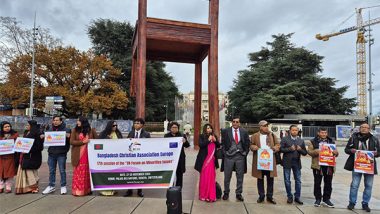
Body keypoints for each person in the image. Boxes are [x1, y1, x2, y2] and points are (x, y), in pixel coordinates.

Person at [345, 123, 380, 212]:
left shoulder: (374, 139)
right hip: (357, 166)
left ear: (369, 129)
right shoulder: (353, 137)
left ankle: (365, 203)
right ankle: (352, 203)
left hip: (369, 166)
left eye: (366, 128)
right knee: (354, 185)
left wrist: (376, 153)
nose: (364, 129)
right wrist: (351, 150)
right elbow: (346, 149)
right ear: (359, 128)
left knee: (369, 185)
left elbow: (379, 152)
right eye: (362, 127)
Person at [250, 120, 280, 204]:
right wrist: (253, 147)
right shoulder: (255, 136)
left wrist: (275, 148)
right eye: (264, 126)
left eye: (267, 126)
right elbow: (251, 145)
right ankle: (261, 196)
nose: (266, 127)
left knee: (270, 179)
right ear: (260, 127)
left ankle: (270, 196)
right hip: (260, 161)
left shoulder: (272, 135)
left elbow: (278, 145)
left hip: (269, 161)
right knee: (260, 178)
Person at [221, 116, 250, 202]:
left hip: (240, 156)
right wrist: (225, 153)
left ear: (239, 123)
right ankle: (226, 192)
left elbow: (247, 143)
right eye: (234, 121)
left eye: (237, 122)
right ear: (231, 122)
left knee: (240, 176)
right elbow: (223, 143)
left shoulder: (244, 131)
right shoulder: (226, 131)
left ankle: (238, 193)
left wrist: (245, 153)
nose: (235, 123)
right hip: (229, 156)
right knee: (227, 176)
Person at [307, 127, 338, 208]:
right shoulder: (313, 141)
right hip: (318, 166)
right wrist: (316, 151)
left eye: (325, 133)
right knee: (317, 183)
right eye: (322, 133)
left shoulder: (331, 141)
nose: (324, 134)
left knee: (328, 183)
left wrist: (336, 152)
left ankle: (326, 199)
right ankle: (318, 199)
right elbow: (309, 152)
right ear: (318, 133)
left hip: (329, 166)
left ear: (327, 133)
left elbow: (336, 153)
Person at [42, 116, 71, 195]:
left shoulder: (67, 130)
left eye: (57, 120)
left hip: (61, 153)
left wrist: (69, 136)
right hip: (51, 153)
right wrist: (43, 136)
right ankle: (51, 185)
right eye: (54, 120)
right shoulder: (50, 130)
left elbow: (70, 141)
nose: (55, 122)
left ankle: (63, 186)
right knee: (51, 171)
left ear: (61, 121)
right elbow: (46, 139)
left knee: (62, 170)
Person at [280, 124, 307, 204]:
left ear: (298, 131)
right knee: (287, 180)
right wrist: (289, 149)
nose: (294, 131)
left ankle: (297, 197)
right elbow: (281, 149)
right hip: (287, 162)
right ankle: (289, 196)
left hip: (297, 163)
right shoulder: (285, 139)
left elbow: (305, 153)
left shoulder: (301, 141)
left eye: (296, 130)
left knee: (298, 181)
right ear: (290, 131)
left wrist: (300, 149)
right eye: (293, 130)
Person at [15, 120, 44, 194]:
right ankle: (26, 188)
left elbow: (39, 147)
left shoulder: (38, 134)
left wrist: (28, 149)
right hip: (25, 156)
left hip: (33, 156)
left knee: (31, 172)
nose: (26, 126)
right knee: (26, 171)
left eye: (28, 125)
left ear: (32, 126)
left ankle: (34, 187)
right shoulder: (26, 133)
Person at [70, 116, 97, 196]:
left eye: (79, 121)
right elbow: (71, 142)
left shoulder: (91, 130)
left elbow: (97, 140)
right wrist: (83, 142)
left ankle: (87, 190)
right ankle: (78, 190)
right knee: (78, 173)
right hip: (78, 155)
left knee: (87, 173)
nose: (77, 122)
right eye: (77, 120)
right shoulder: (75, 130)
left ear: (83, 122)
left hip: (89, 155)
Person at [124, 118, 151, 197]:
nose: (136, 124)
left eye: (138, 123)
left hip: (141, 158)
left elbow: (150, 145)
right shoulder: (131, 133)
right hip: (131, 157)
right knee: (130, 173)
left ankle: (140, 190)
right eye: (135, 123)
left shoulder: (146, 134)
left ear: (142, 125)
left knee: (140, 173)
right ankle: (129, 190)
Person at [194, 123, 220, 202]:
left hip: (212, 161)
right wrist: (208, 140)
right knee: (204, 178)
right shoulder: (202, 136)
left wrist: (215, 141)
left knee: (211, 178)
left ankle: (211, 196)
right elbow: (201, 145)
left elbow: (218, 146)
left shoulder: (214, 136)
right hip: (204, 161)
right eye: (207, 128)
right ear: (205, 129)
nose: (209, 129)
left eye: (210, 128)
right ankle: (203, 195)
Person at [98, 120, 123, 196]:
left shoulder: (118, 134)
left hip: (116, 158)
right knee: (106, 174)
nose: (115, 127)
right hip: (106, 158)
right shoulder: (103, 134)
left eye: (116, 125)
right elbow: (98, 144)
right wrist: (107, 140)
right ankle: (105, 190)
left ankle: (113, 189)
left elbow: (122, 144)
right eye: (113, 126)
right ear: (109, 126)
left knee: (114, 174)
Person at [164, 121, 190, 188]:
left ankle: (178, 189)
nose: (174, 129)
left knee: (179, 175)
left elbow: (187, 145)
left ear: (178, 128)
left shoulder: (182, 135)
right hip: (170, 159)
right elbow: (164, 146)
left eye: (176, 127)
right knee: (170, 175)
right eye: (173, 127)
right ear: (170, 128)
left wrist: (185, 141)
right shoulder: (166, 136)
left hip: (180, 158)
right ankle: (170, 188)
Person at [0, 122, 19, 193]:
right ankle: (1, 186)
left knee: (10, 173)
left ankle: (8, 187)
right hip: (1, 158)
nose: (7, 128)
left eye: (8, 126)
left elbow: (19, 144)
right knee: (0, 172)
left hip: (11, 157)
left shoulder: (15, 134)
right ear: (2, 128)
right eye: (5, 127)